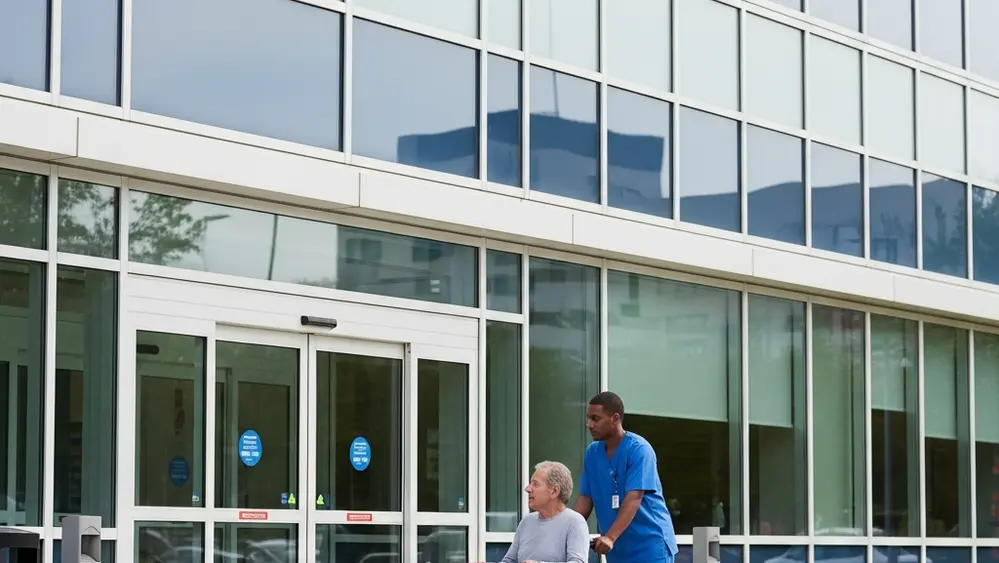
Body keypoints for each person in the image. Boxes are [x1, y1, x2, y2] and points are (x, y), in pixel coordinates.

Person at [573, 391, 677, 563]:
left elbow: (634, 497)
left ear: (615, 418)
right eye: (588, 418)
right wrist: (563, 527)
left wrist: (610, 537)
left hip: (649, 547)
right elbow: (585, 499)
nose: (589, 424)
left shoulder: (639, 449)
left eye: (595, 418)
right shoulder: (592, 454)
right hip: (618, 550)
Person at [494, 461, 590, 563]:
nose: (527, 489)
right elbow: (509, 561)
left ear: (554, 491)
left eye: (535, 484)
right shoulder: (527, 521)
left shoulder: (575, 522)